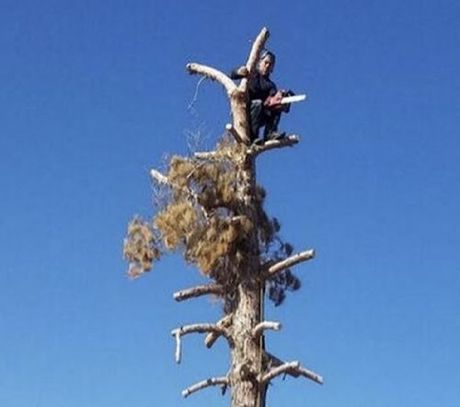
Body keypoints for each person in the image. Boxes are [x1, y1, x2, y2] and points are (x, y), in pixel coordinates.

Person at [230, 50, 292, 144]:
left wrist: (281, 99)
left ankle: (270, 133)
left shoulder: (270, 85)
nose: (267, 66)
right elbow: (232, 75)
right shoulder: (251, 73)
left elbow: (273, 98)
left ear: (272, 68)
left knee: (276, 106)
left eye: (270, 64)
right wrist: (239, 72)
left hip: (259, 116)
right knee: (257, 103)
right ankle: (253, 137)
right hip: (246, 111)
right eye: (266, 62)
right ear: (260, 62)